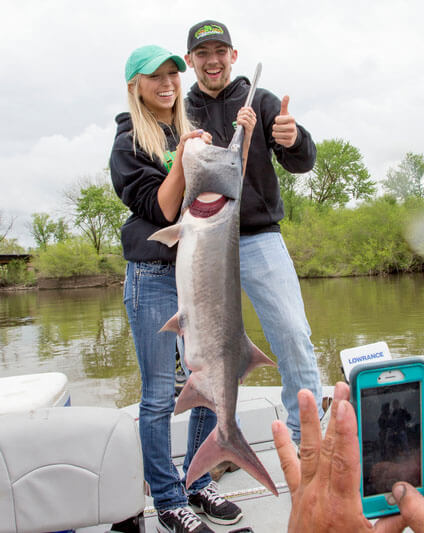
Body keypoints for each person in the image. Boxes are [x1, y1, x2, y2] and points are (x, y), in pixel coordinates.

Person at [109, 44, 256, 533]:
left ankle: (198, 480)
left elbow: (223, 185)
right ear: (136, 85)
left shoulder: (187, 129)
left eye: (173, 72)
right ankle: (170, 497)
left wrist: (244, 140)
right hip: (153, 278)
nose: (168, 81)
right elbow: (164, 209)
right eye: (155, 76)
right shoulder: (128, 143)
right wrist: (182, 161)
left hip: (203, 275)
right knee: (156, 397)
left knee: (212, 381)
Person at [184, 20, 324, 443]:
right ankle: (215, 448)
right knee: (199, 356)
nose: (212, 61)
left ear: (233, 55)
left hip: (259, 238)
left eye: (220, 51)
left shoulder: (260, 101)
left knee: (294, 336)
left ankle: (307, 440)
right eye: (203, 53)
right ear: (190, 60)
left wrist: (294, 138)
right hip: (202, 245)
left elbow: (302, 162)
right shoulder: (181, 110)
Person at [273, 382, 424, 533]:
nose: (393, 405)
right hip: (389, 437)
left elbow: (407, 421)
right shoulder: (386, 416)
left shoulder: (400, 412)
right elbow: (384, 425)